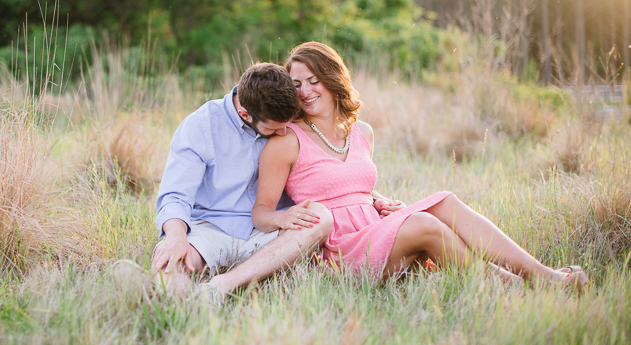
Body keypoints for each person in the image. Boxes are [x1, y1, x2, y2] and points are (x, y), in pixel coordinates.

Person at [252, 41, 588, 290]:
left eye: (313, 80)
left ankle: (542, 275)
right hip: (337, 248)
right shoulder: (286, 141)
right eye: (296, 85)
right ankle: (509, 286)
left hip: (374, 229)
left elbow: (353, 186)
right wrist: (283, 217)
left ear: (333, 79)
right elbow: (262, 212)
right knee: (424, 224)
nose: (306, 91)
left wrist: (380, 200)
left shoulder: (362, 132)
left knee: (445, 200)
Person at [147, 62, 334, 301]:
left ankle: (222, 286)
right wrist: (175, 236)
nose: (282, 134)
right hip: (210, 228)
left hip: (268, 231)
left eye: (286, 126)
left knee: (320, 217)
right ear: (245, 114)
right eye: (273, 128)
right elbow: (175, 196)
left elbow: (331, 170)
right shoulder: (201, 125)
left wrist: (373, 198)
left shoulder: (287, 118)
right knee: (172, 259)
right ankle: (168, 299)